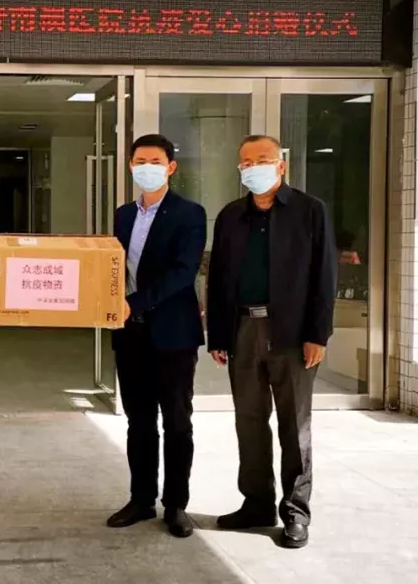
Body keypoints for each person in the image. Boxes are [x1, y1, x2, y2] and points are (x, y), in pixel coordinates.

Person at [206, 134, 337, 550]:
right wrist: (218, 335)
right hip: (243, 329)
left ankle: (295, 511)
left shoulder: (310, 211)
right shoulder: (230, 216)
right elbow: (218, 278)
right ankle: (257, 503)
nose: (253, 168)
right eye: (246, 162)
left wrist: (318, 333)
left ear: (281, 165)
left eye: (261, 160)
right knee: (249, 421)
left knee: (293, 425)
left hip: (293, 334)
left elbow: (325, 277)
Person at [107, 134, 206, 539]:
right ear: (131, 166)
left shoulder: (190, 214)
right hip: (129, 335)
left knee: (178, 422)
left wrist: (134, 303)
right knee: (139, 422)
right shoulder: (122, 215)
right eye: (140, 162)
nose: (147, 168)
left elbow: (183, 272)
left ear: (170, 167)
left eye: (155, 161)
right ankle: (141, 498)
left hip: (173, 334)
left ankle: (176, 504)